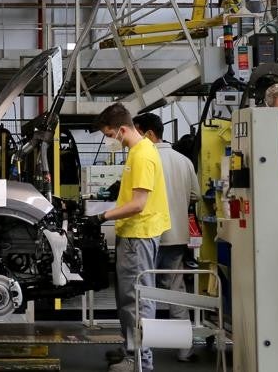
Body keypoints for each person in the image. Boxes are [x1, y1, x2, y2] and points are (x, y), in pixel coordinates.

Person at [95, 103, 171, 372]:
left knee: (137, 301)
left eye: (109, 135)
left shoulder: (141, 155)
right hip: (133, 234)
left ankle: (140, 361)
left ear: (122, 129)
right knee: (128, 299)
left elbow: (139, 203)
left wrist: (103, 216)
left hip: (139, 235)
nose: (109, 140)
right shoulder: (137, 152)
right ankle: (132, 350)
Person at [134, 112, 200, 363]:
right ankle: (185, 350)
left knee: (144, 292)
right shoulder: (183, 161)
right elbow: (194, 195)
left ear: (149, 134)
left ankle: (143, 353)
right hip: (177, 236)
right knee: (176, 290)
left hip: (148, 235)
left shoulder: (143, 158)